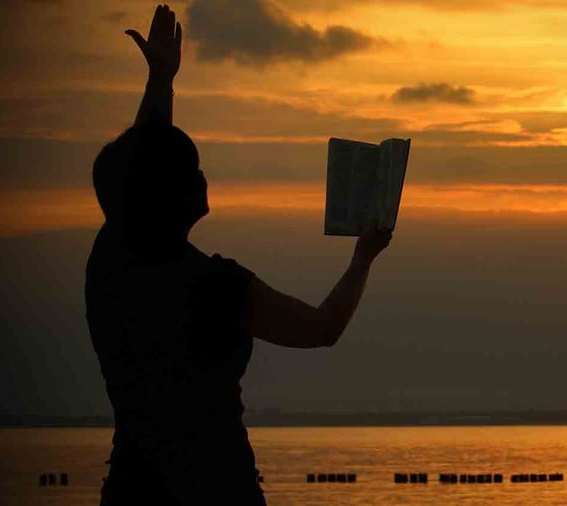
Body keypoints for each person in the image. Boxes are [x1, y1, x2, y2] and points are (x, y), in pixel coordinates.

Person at [86, 5, 392, 505]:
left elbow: (139, 170)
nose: (203, 176)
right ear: (172, 195)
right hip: (219, 488)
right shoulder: (216, 287)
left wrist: (161, 80)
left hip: (133, 491)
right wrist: (364, 256)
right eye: (193, 170)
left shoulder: (111, 265)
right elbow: (322, 328)